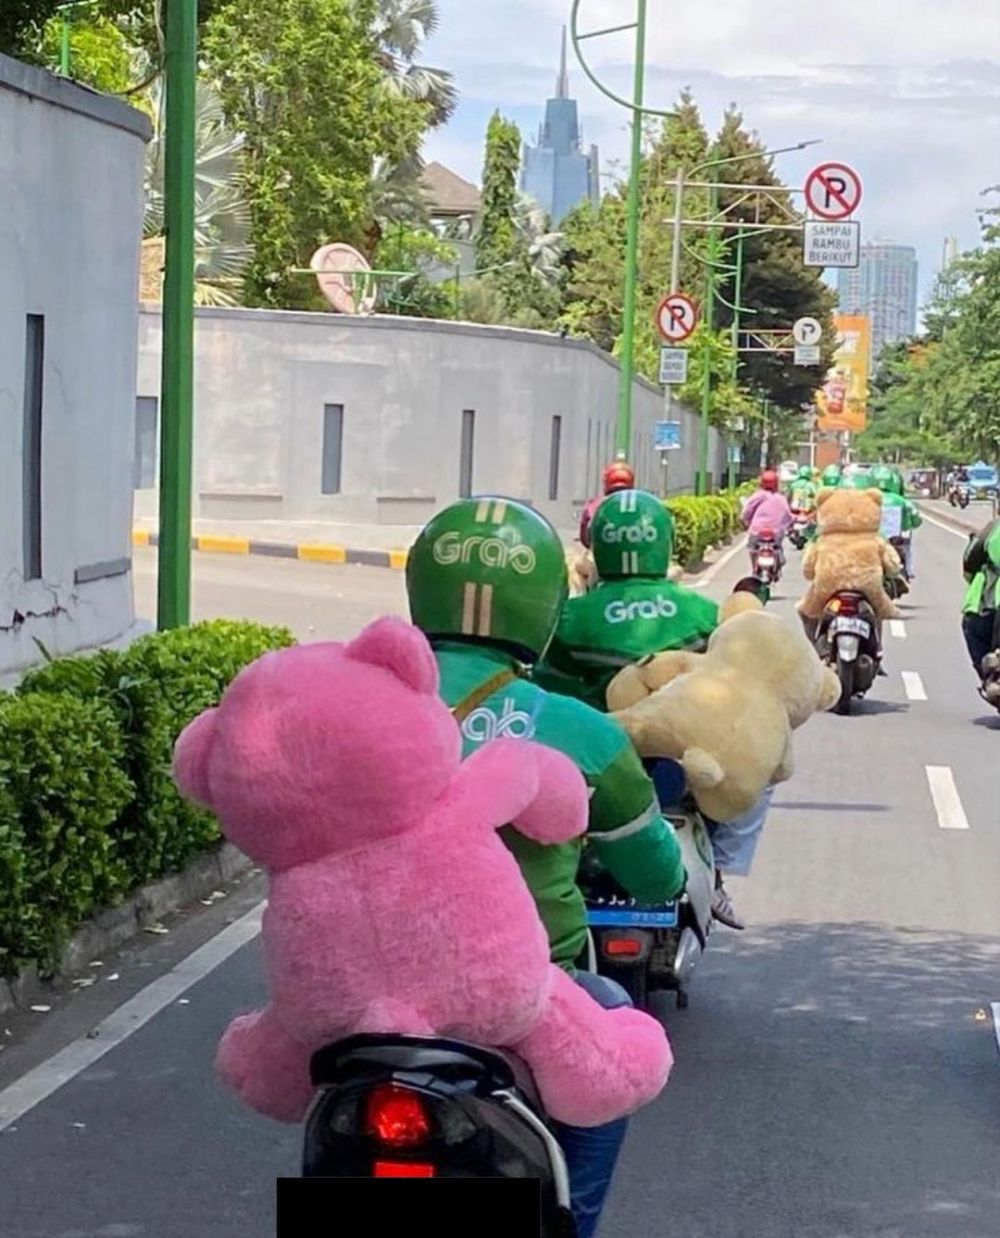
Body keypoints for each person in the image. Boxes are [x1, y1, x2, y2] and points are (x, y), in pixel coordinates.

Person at [405, 497, 686, 1238]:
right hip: (525, 996)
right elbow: (657, 872)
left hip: (366, 1000)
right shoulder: (578, 731)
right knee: (614, 1037)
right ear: (546, 605)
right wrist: (669, 883)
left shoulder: (354, 705)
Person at [538, 488, 772, 931]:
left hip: (591, 763)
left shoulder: (568, 619)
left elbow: (548, 693)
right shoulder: (704, 613)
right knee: (761, 773)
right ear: (663, 544)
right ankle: (718, 870)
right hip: (683, 765)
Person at [961, 515, 1000, 680]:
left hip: (990, 606)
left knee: (973, 630)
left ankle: (990, 678)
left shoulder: (994, 528)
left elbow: (970, 561)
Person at [871, 464, 922, 578]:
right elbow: (915, 519)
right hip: (896, 541)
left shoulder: (867, 499)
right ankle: (909, 571)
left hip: (874, 540)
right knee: (907, 545)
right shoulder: (902, 501)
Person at [742, 470, 794, 571]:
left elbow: (747, 511)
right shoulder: (781, 498)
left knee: (752, 548)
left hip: (757, 530)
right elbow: (788, 515)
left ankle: (754, 569)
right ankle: (778, 558)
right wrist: (789, 526)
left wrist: (746, 521)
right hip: (776, 532)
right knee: (778, 546)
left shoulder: (757, 496)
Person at [579, 460, 636, 549]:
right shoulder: (640, 505)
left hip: (603, 556)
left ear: (607, 482)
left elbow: (584, 539)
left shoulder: (594, 505)